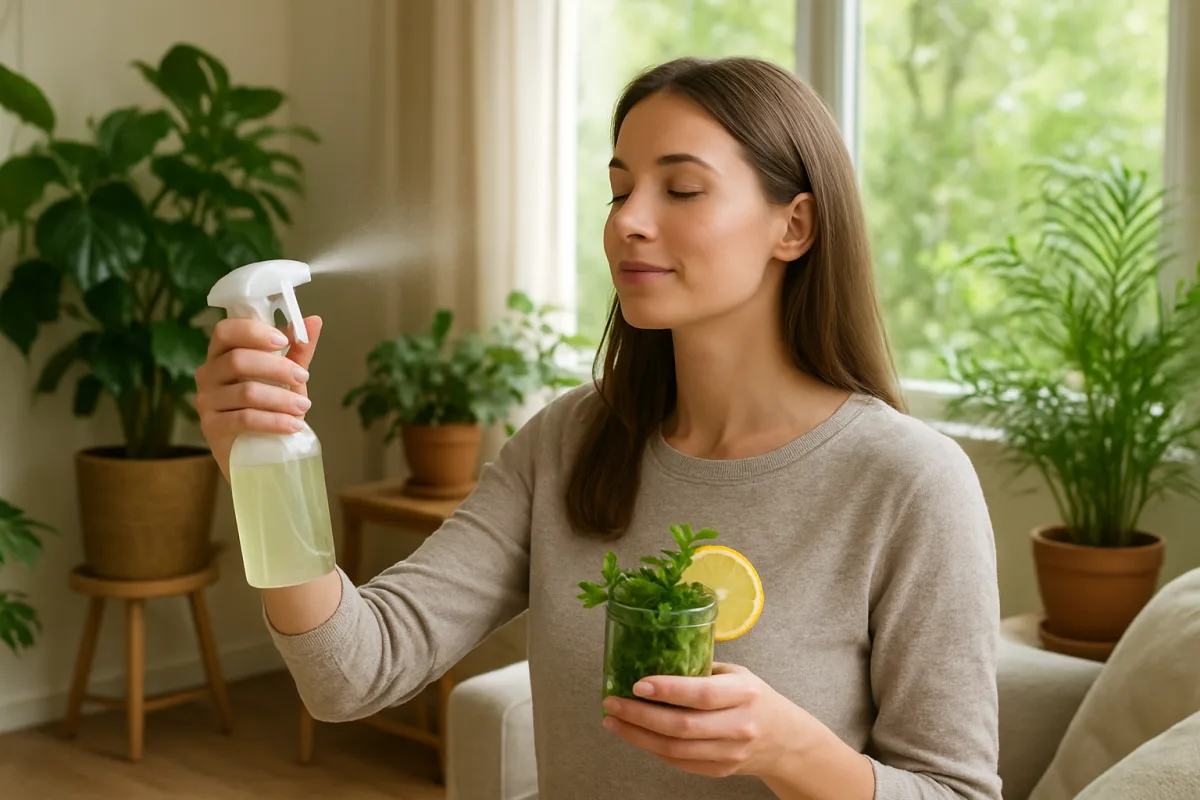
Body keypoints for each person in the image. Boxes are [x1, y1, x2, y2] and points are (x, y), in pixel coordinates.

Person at [195, 56, 1001, 799]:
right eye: (620, 190)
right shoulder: (568, 443)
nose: (628, 223)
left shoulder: (909, 482)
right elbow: (350, 676)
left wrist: (792, 751)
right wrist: (262, 467)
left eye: (680, 190)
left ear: (793, 226)